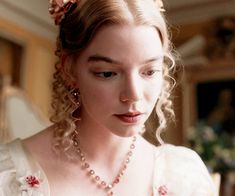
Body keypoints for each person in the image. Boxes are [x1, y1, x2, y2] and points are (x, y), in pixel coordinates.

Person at [0, 0, 216, 195]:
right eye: (107, 73)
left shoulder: (183, 175)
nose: (133, 95)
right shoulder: (8, 175)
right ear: (69, 69)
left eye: (149, 72)